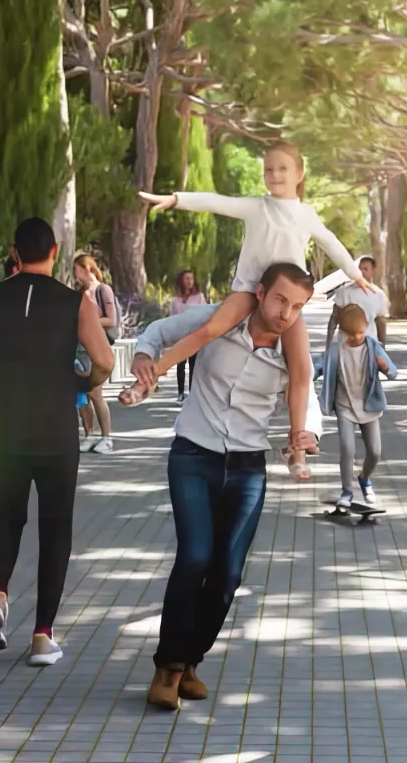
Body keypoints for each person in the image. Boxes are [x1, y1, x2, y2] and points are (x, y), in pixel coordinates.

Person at [121, 261, 319, 712]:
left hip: (249, 467)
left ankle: (191, 661)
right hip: (193, 454)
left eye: (297, 307)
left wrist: (310, 435)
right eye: (280, 299)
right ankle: (167, 668)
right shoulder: (218, 321)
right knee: (194, 557)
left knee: (228, 572)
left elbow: (307, 396)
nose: (287, 312)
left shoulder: (294, 350)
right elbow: (158, 331)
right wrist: (143, 356)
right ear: (262, 292)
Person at [139, 142, 379, 480]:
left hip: (285, 296)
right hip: (250, 291)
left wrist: (356, 275)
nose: (274, 175)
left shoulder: (305, 214)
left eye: (282, 169)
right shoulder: (256, 207)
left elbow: (331, 243)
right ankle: (155, 373)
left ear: (299, 174)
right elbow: (217, 202)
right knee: (209, 329)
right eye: (269, 169)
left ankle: (296, 450)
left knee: (302, 371)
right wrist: (178, 199)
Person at [0, 217, 116, 667]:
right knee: (55, 528)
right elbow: (104, 361)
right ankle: (42, 637)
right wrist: (83, 379)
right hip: (56, 430)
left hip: (4, 427)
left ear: (14, 253)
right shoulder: (74, 302)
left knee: (8, 516)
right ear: (55, 252)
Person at [318, 302, 398, 518]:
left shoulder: (373, 347)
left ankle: (364, 478)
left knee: (375, 452)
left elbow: (393, 372)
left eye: (361, 332)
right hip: (344, 406)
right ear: (343, 333)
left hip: (368, 405)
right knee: (347, 448)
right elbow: (314, 367)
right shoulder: (336, 352)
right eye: (352, 335)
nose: (357, 337)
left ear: (366, 328)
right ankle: (347, 492)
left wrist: (385, 367)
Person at [70, 252, 120, 454]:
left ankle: (107, 437)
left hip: (95, 347)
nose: (75, 274)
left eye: (76, 269)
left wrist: (87, 323)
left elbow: (111, 320)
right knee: (81, 394)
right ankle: (89, 434)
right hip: (77, 348)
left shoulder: (103, 290)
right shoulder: (79, 292)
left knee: (96, 393)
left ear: (86, 268)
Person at [168, 268, 209, 399]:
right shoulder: (175, 301)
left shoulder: (199, 298)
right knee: (180, 365)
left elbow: (205, 314)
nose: (189, 281)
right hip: (180, 336)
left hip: (195, 335)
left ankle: (192, 393)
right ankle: (180, 393)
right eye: (187, 279)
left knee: (193, 365)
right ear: (181, 281)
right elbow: (171, 319)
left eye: (191, 279)